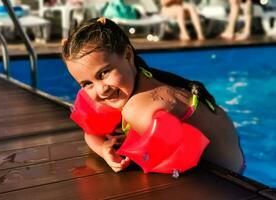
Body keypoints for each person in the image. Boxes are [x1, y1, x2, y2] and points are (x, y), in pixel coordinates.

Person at [62, 17, 244, 174]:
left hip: (231, 181)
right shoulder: (140, 78)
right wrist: (104, 149)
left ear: (127, 54)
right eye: (87, 83)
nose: (101, 90)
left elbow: (181, 167)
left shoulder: (141, 108)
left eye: (104, 73)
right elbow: (91, 132)